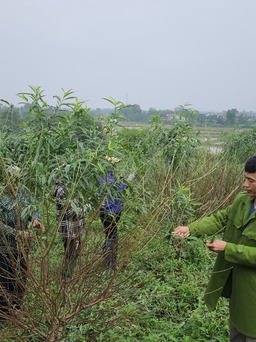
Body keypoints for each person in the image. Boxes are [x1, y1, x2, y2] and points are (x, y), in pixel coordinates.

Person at [172, 156, 256, 341]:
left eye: (251, 180)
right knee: (236, 330)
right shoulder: (243, 201)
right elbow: (220, 219)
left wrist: (229, 249)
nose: (244, 184)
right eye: (245, 178)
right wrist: (191, 229)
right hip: (240, 290)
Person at [0, 166, 45, 318]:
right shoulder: (1, 195)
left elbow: (34, 208)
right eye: (12, 180)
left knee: (21, 276)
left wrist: (36, 220)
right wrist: (17, 234)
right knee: (5, 278)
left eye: (18, 180)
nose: (15, 183)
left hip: (23, 246)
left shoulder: (24, 193)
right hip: (4, 246)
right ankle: (4, 311)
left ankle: (16, 307)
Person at [53, 178, 85, 279]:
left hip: (75, 227)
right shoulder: (62, 191)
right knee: (70, 252)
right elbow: (70, 212)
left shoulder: (70, 188)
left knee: (75, 250)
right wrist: (86, 208)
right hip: (69, 229)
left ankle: (68, 274)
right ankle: (66, 276)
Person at [99, 163, 127, 271]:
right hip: (114, 212)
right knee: (112, 235)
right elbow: (123, 189)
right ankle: (110, 265)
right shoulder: (117, 180)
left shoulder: (101, 178)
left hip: (103, 212)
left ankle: (106, 260)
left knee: (108, 234)